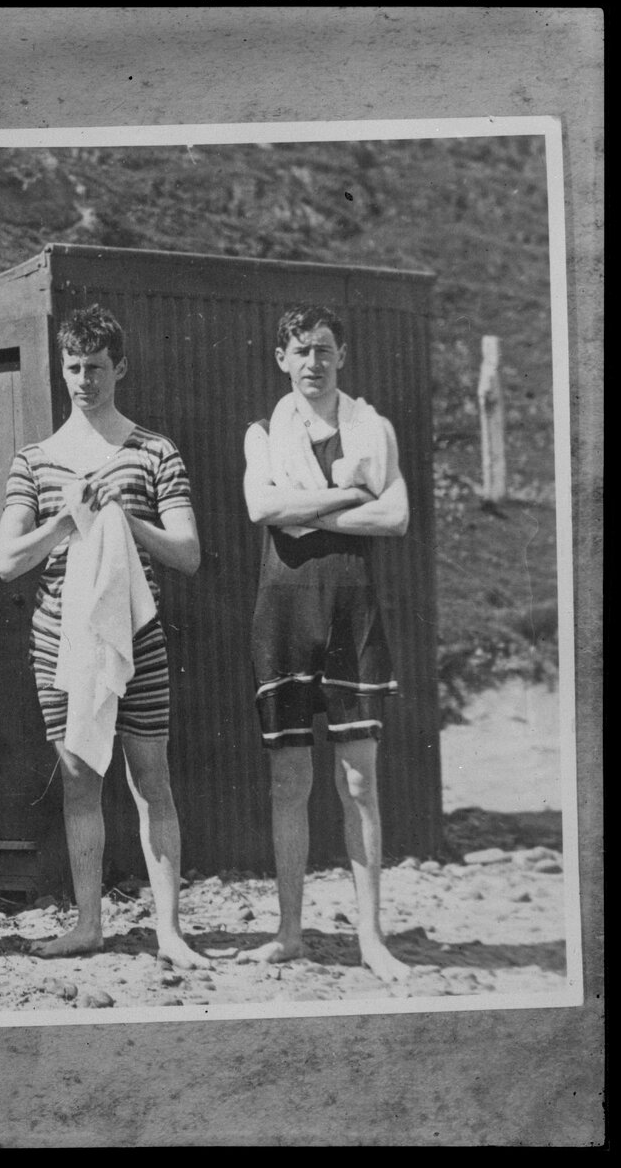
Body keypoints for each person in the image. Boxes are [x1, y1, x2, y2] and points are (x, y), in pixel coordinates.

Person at [0, 305, 208, 967]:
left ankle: (169, 930)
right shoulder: (35, 460)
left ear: (121, 368)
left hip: (137, 636)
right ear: (61, 369)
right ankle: (89, 922)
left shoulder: (154, 451)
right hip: (61, 640)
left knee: (151, 778)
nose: (84, 380)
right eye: (74, 367)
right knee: (80, 780)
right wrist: (65, 521)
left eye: (96, 367)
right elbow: (7, 560)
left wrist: (126, 519)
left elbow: (188, 552)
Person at [239, 304, 412, 982]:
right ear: (281, 358)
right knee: (290, 780)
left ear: (342, 356)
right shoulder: (263, 434)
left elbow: (395, 516)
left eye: (324, 349)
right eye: (301, 350)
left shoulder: (373, 431)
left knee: (359, 780)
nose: (313, 362)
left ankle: (371, 937)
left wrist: (306, 510)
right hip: (284, 612)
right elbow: (262, 508)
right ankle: (289, 932)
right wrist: (347, 499)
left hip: (350, 612)